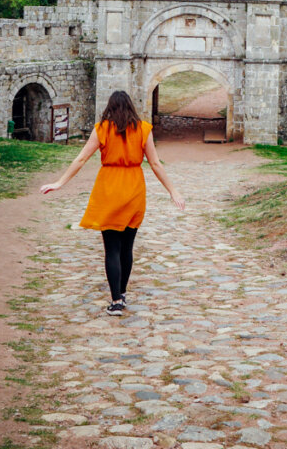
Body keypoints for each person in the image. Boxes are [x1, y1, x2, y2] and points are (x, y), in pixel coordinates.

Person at [40, 90, 185, 315]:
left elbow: (81, 159)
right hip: (134, 189)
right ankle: (123, 293)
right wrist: (173, 191)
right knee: (127, 247)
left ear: (110, 107)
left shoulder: (102, 129)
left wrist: (59, 182)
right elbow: (155, 164)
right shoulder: (144, 129)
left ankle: (116, 300)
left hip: (108, 189)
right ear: (131, 107)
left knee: (112, 249)